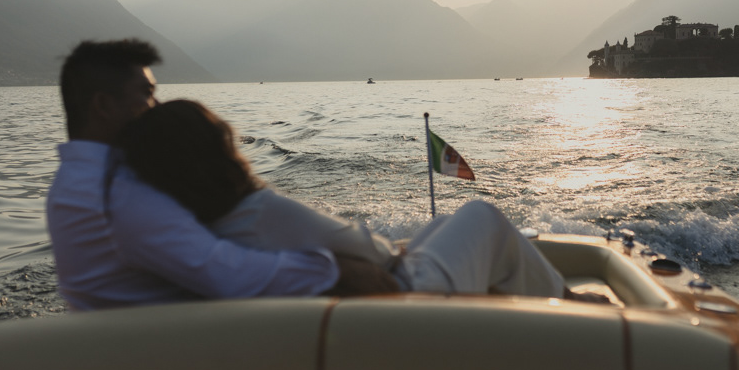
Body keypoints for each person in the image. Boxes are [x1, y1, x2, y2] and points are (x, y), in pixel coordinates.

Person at [46, 39, 397, 311]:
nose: (156, 108)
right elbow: (228, 275)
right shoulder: (119, 193)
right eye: (147, 95)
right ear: (104, 106)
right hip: (186, 354)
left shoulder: (75, 181)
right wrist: (336, 268)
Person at [117, 99, 581, 299]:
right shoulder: (257, 212)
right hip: (406, 295)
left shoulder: (210, 225)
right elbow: (361, 253)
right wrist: (390, 253)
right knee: (482, 215)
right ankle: (574, 306)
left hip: (386, 288)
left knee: (442, 224)